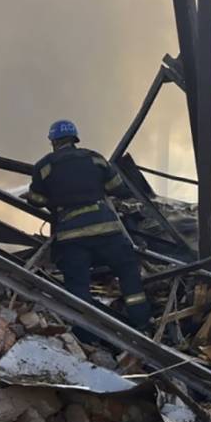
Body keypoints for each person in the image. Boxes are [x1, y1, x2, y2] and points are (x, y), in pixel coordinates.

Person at [25, 120, 151, 339]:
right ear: (75, 139)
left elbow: (35, 199)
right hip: (106, 229)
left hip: (72, 236)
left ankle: (87, 336)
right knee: (128, 272)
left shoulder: (44, 166)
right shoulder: (95, 158)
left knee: (77, 285)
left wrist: (54, 199)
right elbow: (118, 188)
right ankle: (141, 324)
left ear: (53, 141)